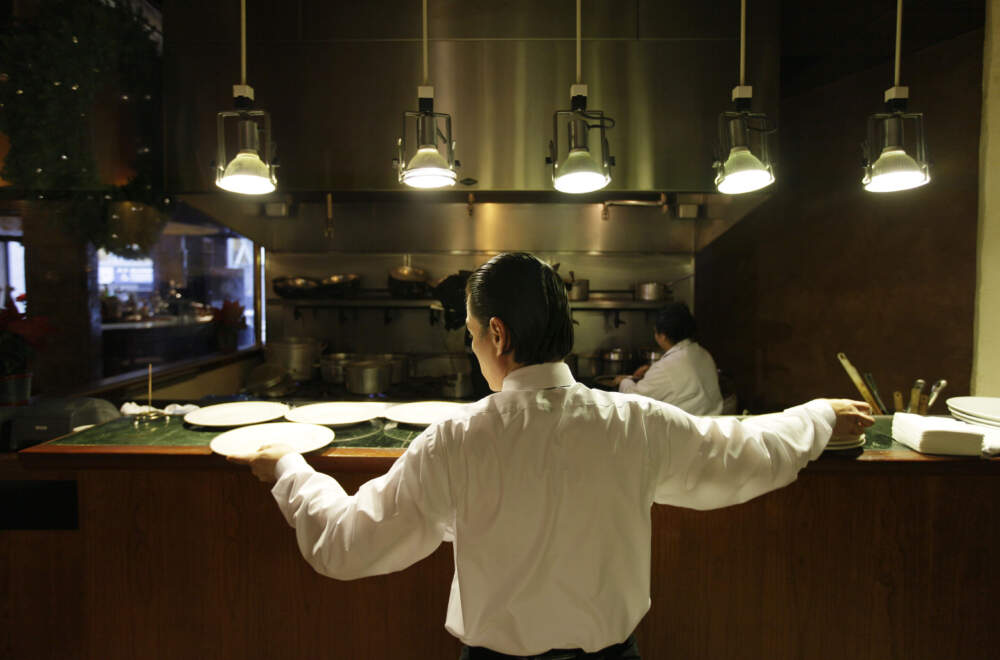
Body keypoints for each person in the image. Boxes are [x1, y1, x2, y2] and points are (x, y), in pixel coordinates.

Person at [229, 252, 874, 660]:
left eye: (473, 336)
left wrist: (289, 468)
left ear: (499, 335)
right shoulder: (634, 424)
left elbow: (344, 545)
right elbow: (743, 452)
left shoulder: (456, 441)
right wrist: (818, 417)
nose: (473, 350)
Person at [613, 302, 723, 415]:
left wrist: (624, 381)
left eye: (655, 331)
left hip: (685, 430)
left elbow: (634, 400)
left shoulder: (665, 368)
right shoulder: (703, 354)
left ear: (663, 336)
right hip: (711, 425)